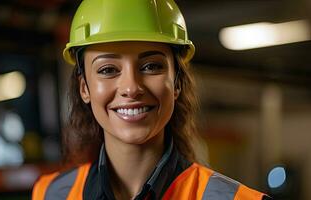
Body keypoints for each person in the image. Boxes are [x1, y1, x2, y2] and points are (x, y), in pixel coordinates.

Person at [32, 0, 270, 199]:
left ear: (176, 82)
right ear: (84, 88)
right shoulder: (50, 194)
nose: (131, 87)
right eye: (107, 69)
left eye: (151, 66)